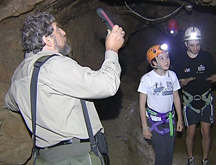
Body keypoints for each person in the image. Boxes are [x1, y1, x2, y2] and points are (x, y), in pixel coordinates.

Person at [4, 11, 125, 163]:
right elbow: (107, 85)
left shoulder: (19, 74)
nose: (63, 32)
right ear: (48, 40)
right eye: (58, 29)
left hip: (45, 158)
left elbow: (11, 104)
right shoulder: (55, 65)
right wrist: (112, 49)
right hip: (76, 157)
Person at [173, 27, 216, 165]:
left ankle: (205, 159)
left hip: (205, 99)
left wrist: (214, 79)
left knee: (206, 132)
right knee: (191, 133)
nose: (196, 48)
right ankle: (190, 158)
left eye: (198, 44)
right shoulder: (180, 60)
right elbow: (174, 82)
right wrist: (181, 83)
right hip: (189, 102)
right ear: (186, 45)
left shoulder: (207, 57)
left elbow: (213, 74)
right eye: (192, 45)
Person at [138, 44, 184, 165]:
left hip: (170, 120)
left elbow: (176, 97)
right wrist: (145, 127)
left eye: (167, 57)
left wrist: (180, 119)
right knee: (161, 154)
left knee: (169, 153)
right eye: (162, 58)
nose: (166, 60)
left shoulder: (172, 76)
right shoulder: (147, 79)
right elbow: (142, 104)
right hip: (154, 121)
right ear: (153, 62)